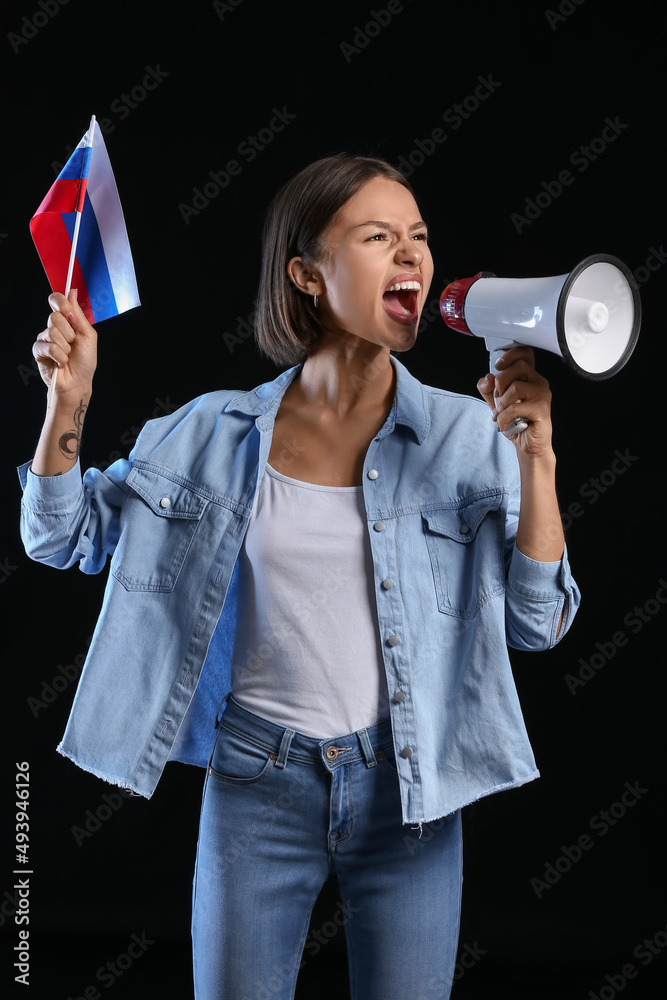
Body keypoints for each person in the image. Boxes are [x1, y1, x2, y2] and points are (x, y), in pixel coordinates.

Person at [19, 154, 580, 999]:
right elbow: (58, 537)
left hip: (409, 795)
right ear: (306, 273)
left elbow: (540, 624)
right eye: (378, 236)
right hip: (255, 785)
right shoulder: (208, 433)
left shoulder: (471, 436)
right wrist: (67, 403)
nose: (411, 257)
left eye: (419, 238)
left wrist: (534, 462)